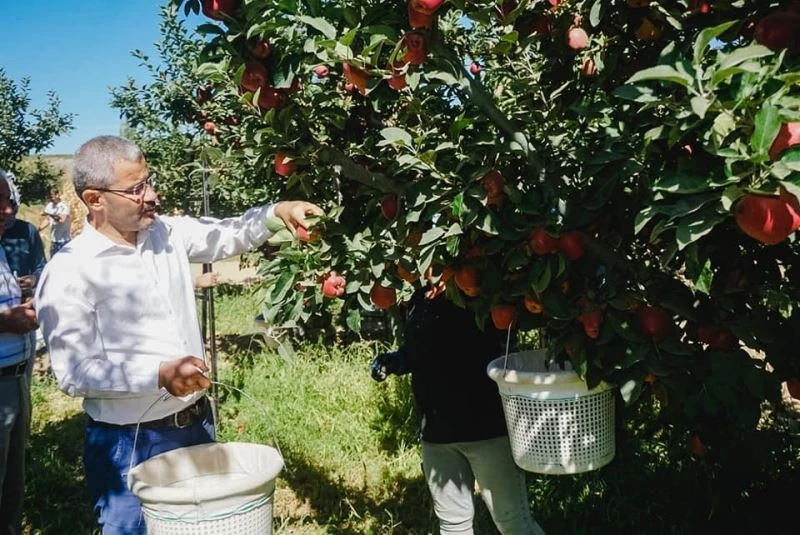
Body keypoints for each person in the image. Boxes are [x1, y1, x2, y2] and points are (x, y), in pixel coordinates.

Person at [34, 135, 323, 534]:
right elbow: (73, 372)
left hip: (196, 426)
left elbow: (227, 233)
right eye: (136, 189)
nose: (151, 195)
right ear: (95, 199)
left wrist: (278, 211)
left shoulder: (165, 234)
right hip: (129, 443)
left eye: (149, 181)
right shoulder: (70, 271)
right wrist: (157, 374)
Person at [370, 285, 545, 535]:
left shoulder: (480, 290)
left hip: (487, 430)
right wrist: (397, 361)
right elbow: (420, 350)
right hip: (437, 436)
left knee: (514, 523)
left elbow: (493, 340)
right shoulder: (421, 298)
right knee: (453, 526)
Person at [0, 169, 46, 534]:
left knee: (12, 481)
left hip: (16, 377)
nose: (6, 211)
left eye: (9, 202)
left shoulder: (5, 248)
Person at [39, 187, 72, 257]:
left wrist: (49, 214)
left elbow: (61, 220)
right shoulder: (50, 205)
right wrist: (38, 230)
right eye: (50, 197)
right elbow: (48, 219)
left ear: (57, 195)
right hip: (54, 241)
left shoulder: (63, 207)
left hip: (64, 241)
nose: (51, 199)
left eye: (52, 197)